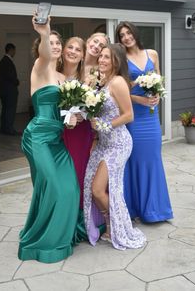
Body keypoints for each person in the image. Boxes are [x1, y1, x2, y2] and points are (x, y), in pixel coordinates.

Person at [18, 16, 80, 263]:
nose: (55, 46)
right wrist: (44, 33)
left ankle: (61, 233)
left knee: (70, 188)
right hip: (38, 138)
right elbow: (44, 53)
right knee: (52, 186)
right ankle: (41, 241)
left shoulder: (65, 80)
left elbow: (67, 112)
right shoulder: (40, 67)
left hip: (57, 139)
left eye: (57, 42)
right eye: (51, 43)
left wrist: (72, 118)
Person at [84, 43, 146, 250]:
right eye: (101, 56)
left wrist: (104, 125)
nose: (101, 60)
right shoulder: (103, 82)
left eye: (107, 58)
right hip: (103, 142)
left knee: (98, 189)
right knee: (93, 189)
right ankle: (110, 227)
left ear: (116, 61)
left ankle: (118, 227)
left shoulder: (118, 82)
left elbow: (129, 115)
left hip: (118, 143)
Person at [115, 21, 173, 223]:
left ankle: (156, 209)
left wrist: (157, 92)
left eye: (128, 33)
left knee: (153, 158)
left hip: (151, 115)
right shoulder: (121, 59)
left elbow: (159, 78)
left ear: (135, 33)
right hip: (134, 116)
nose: (126, 37)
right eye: (122, 35)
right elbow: (119, 89)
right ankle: (135, 208)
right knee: (135, 161)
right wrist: (139, 97)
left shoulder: (152, 53)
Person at [60, 33, 109, 242]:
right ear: (87, 41)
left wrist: (85, 116)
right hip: (62, 130)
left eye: (102, 45)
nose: (97, 46)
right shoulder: (60, 68)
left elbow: (97, 106)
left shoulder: (97, 73)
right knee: (66, 175)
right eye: (95, 41)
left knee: (83, 173)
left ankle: (86, 221)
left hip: (83, 131)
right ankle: (64, 219)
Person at [0, 43, 20, 135]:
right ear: (10, 50)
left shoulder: (2, 61)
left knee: (5, 110)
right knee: (10, 110)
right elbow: (10, 76)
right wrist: (17, 82)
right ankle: (9, 129)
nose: (14, 52)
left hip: (3, 90)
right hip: (9, 91)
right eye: (14, 50)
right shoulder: (7, 61)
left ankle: (4, 128)